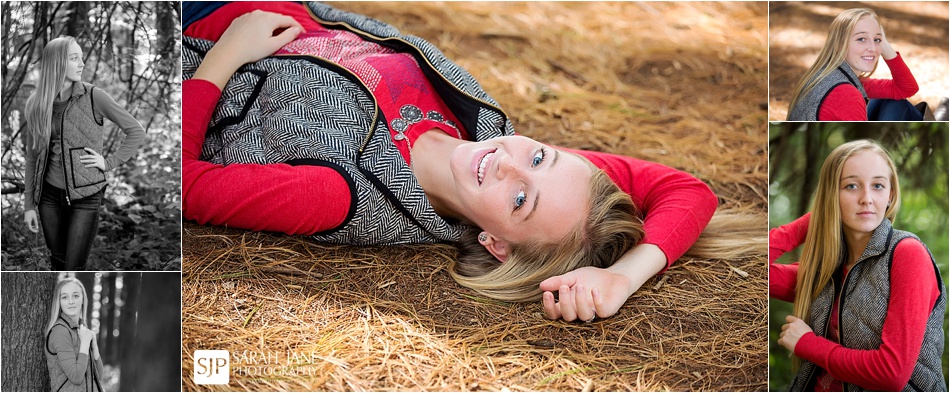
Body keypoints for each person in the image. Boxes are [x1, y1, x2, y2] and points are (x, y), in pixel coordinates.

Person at [182, 2, 763, 322]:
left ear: (497, 244)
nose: (510, 165)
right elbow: (686, 189)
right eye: (541, 156)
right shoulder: (488, 131)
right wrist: (623, 275)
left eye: (520, 200)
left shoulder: (341, 194)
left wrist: (227, 55)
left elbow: (180, 183)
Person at [770, 140, 946, 391]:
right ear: (832, 195)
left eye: (877, 186)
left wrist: (808, 344)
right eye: (851, 186)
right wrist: (816, 220)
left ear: (890, 195)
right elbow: (754, 267)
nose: (866, 199)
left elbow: (892, 374)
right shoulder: (823, 272)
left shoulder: (907, 255)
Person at [22, 37, 146, 271]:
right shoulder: (36, 104)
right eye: (74, 58)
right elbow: (33, 157)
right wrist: (29, 205)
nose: (82, 63)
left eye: (81, 57)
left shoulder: (93, 96)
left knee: (73, 267)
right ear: (57, 63)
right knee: (57, 264)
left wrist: (109, 163)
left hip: (86, 196)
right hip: (48, 197)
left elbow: (136, 131)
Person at [785, 8, 941, 121]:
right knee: (898, 106)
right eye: (861, 39)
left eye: (877, 40)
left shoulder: (831, 76)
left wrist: (885, 48)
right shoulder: (845, 93)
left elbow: (906, 88)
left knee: (893, 101)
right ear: (840, 44)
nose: (872, 48)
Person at [44, 278, 103, 392]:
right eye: (64, 297)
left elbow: (97, 378)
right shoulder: (60, 331)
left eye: (75, 296)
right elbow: (76, 377)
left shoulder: (81, 330)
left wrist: (94, 349)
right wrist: (85, 343)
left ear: (83, 299)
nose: (71, 301)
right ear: (59, 302)